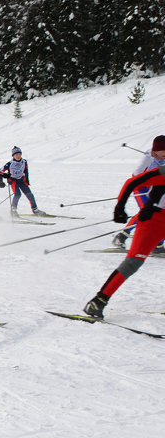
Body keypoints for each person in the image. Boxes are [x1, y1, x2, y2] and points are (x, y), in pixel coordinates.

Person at [85, 141, 165, 318]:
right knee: (132, 263)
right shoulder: (163, 172)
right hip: (153, 222)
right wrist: (120, 208)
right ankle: (97, 302)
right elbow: (132, 182)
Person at [112, 135, 165, 249]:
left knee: (160, 213)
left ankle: (158, 243)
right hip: (141, 187)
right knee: (146, 211)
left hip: (156, 186)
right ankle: (122, 236)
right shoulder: (147, 158)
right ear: (156, 151)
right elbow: (135, 178)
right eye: (164, 152)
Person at [2, 146, 46, 216]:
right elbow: (0, 171)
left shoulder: (24, 162)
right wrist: (3, 179)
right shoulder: (10, 163)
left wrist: (27, 180)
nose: (18, 156)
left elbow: (26, 171)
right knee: (18, 194)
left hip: (22, 181)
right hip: (13, 181)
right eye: (16, 155)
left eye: (19, 154)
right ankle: (13, 211)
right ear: (13, 155)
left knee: (30, 194)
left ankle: (35, 210)